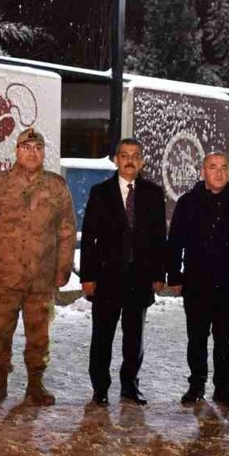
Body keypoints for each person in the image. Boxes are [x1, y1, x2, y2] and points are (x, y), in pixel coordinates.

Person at [0, 127, 74, 407]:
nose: (32, 153)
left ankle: (35, 385)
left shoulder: (56, 186)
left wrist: (64, 267)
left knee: (39, 336)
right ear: (16, 151)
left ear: (43, 153)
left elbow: (66, 230)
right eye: (26, 148)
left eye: (37, 148)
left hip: (41, 276)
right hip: (3, 274)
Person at [166, 152, 229, 411]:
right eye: (212, 167)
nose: (218, 172)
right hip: (196, 281)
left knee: (223, 339)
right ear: (202, 172)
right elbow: (175, 241)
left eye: (223, 167)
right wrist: (174, 274)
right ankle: (196, 385)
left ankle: (222, 387)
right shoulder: (188, 203)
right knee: (196, 337)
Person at [79, 138, 166, 406]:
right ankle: (100, 388)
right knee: (102, 337)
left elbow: (158, 237)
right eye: (124, 155)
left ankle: (130, 386)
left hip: (139, 278)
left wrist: (158, 274)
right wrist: (87, 276)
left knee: (134, 338)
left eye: (135, 156)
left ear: (142, 161)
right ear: (116, 159)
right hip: (107, 277)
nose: (130, 160)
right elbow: (90, 237)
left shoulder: (153, 193)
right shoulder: (100, 192)